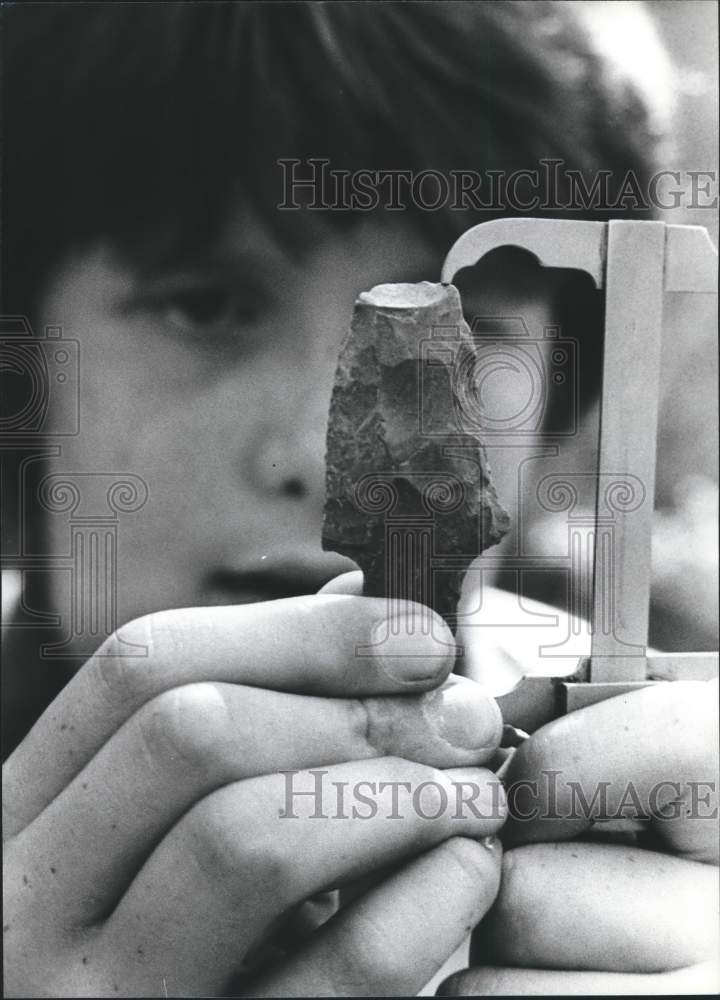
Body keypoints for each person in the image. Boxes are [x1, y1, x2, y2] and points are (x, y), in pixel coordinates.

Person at [2, 3, 717, 996]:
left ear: (561, 397)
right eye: (207, 305)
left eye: (448, 333)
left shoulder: (669, 819)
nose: (323, 453)